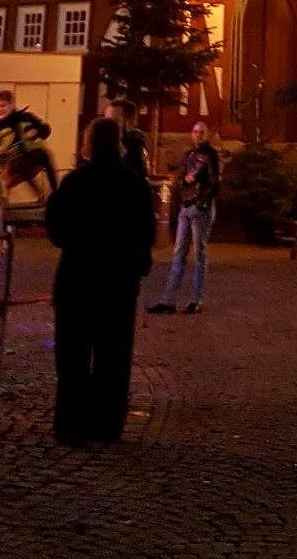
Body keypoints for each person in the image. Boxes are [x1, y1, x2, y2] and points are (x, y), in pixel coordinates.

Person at [46, 117, 156, 444]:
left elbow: (57, 229)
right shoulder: (132, 183)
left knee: (72, 359)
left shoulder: (77, 182)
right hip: (117, 282)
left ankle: (71, 425)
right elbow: (145, 231)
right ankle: (108, 425)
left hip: (78, 281)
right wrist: (136, 266)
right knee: (113, 358)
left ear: (89, 143)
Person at [150, 121, 222, 315]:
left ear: (206, 135)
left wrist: (202, 200)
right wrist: (183, 182)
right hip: (186, 207)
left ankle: (195, 300)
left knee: (199, 254)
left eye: (201, 132)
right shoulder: (189, 155)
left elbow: (215, 183)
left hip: (201, 208)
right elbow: (181, 177)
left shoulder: (211, 155)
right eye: (195, 131)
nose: (197, 135)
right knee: (178, 252)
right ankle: (168, 301)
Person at [0, 90, 58, 199]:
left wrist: (36, 131)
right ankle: (39, 194)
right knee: (21, 165)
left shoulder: (26, 117)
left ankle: (55, 191)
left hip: (34, 155)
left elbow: (46, 129)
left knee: (46, 155)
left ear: (11, 104)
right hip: (12, 163)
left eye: (3, 106)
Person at [102, 98, 151, 182]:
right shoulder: (103, 145)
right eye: (106, 120)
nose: (107, 125)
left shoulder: (135, 148)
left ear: (129, 122)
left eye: (114, 120)